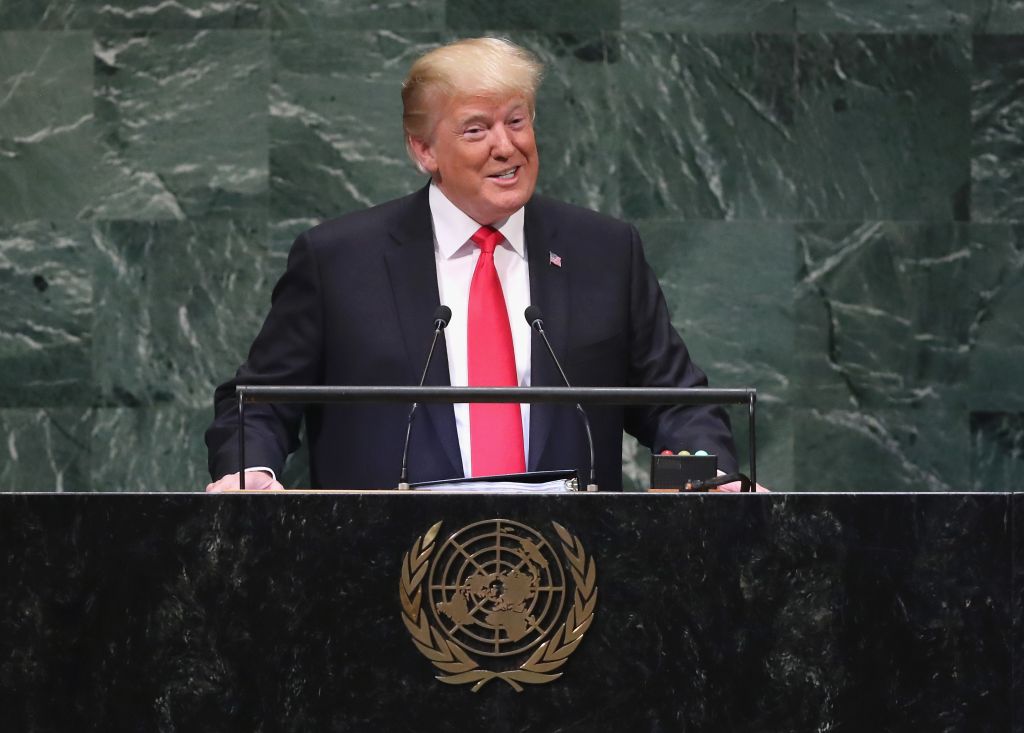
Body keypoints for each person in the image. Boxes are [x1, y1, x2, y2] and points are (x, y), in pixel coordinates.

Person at [205, 37, 739, 492]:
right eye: (476, 129)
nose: (506, 147)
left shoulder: (603, 250)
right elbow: (259, 402)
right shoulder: (340, 260)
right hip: (374, 570)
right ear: (424, 149)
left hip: (566, 575)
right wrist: (249, 469)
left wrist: (707, 482)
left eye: (516, 121)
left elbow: (676, 404)